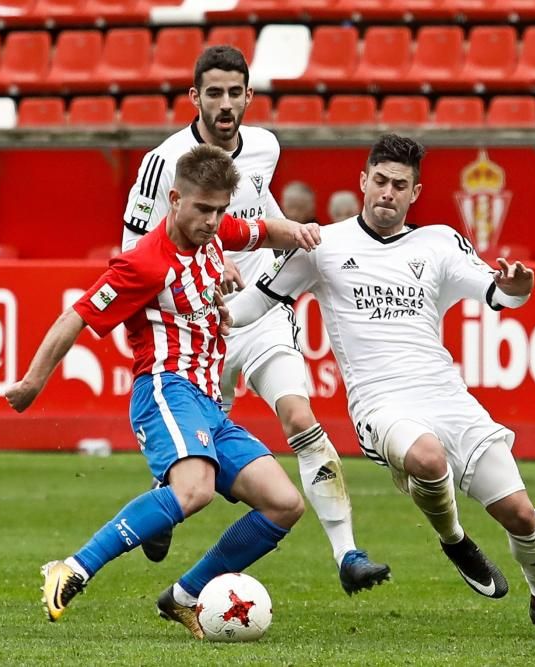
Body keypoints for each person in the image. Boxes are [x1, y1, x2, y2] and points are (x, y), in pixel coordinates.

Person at [228, 133, 535, 638]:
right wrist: (205, 307)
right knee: (427, 459)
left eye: (399, 185)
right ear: (362, 181)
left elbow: (499, 294)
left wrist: (518, 288)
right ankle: (455, 538)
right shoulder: (323, 245)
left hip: (445, 394)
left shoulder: (440, 242)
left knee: (521, 515)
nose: (387, 193)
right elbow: (252, 308)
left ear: (414, 193)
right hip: (379, 400)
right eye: (379, 181)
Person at [8, 145, 320, 636]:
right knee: (193, 491)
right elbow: (76, 315)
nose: (214, 221)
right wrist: (31, 383)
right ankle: (73, 567)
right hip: (165, 388)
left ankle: (184, 595)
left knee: (285, 503)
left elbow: (262, 229)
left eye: (220, 210)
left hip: (211, 406)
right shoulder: (144, 264)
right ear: (174, 199)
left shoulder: (216, 234)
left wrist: (301, 233)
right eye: (203, 209)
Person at [121, 45, 389, 595]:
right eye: (213, 93)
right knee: (192, 464)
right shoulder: (162, 162)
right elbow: (132, 258)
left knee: (299, 416)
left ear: (249, 96)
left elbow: (255, 208)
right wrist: (194, 284)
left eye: (234, 93)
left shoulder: (265, 146)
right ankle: (162, 497)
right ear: (194, 98)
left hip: (260, 313)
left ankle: (347, 554)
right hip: (197, 327)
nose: (225, 104)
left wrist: (289, 229)